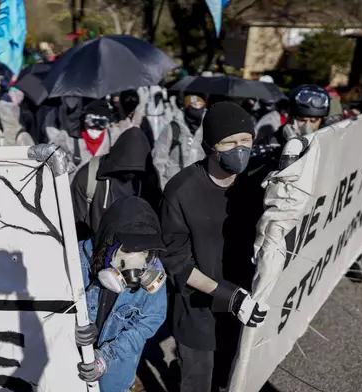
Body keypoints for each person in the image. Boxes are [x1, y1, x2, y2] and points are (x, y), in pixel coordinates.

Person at [160, 102, 269, 392]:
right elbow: (177, 263)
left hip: (243, 303)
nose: (240, 149)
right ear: (210, 145)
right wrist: (228, 296)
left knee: (228, 377)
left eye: (246, 140)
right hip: (197, 310)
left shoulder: (254, 184)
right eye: (229, 142)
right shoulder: (180, 191)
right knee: (198, 382)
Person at [75, 196, 167, 392]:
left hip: (114, 380)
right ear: (108, 242)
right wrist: (69, 328)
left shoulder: (152, 270)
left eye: (144, 250)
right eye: (127, 248)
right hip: (70, 372)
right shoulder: (75, 262)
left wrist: (107, 357)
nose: (136, 260)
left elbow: (149, 322)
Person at [71, 127, 162, 241]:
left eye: (135, 172)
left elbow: (155, 220)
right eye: (125, 171)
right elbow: (75, 222)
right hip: (94, 250)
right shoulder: (88, 176)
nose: (130, 175)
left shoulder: (150, 178)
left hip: (137, 251)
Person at [48, 99, 118, 174]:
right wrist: (62, 163)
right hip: (74, 184)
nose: (95, 127)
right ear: (84, 118)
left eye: (101, 123)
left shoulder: (113, 138)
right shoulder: (68, 137)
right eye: (92, 121)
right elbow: (48, 154)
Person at [152, 94, 207, 189]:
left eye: (200, 106)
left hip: (197, 188)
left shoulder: (206, 129)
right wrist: (163, 186)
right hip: (173, 186)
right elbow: (159, 158)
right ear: (185, 109)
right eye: (193, 106)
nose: (197, 110)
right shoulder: (173, 128)